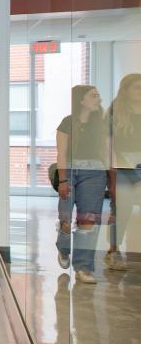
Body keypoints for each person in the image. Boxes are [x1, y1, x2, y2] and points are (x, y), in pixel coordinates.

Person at [53, 85, 108, 284]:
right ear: (81, 100)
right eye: (93, 96)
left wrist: (110, 176)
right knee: (66, 219)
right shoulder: (68, 123)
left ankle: (84, 267)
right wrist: (64, 179)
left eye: (98, 95)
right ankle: (64, 248)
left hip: (95, 174)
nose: (98, 99)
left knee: (88, 222)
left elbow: (106, 151)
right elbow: (61, 153)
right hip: (70, 172)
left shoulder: (100, 124)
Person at [107, 74, 141, 272]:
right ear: (126, 90)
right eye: (137, 87)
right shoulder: (116, 113)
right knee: (122, 209)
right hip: (122, 167)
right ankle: (113, 251)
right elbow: (110, 145)